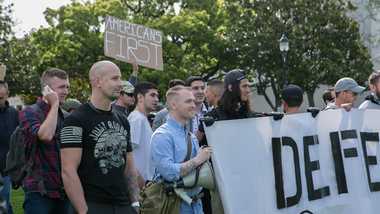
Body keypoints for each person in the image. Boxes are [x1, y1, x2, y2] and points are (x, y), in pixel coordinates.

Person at [60, 60, 140, 214]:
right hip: (93, 203)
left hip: (123, 204)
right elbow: (68, 171)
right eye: (114, 78)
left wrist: (135, 202)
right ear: (97, 81)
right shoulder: (75, 120)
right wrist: (84, 211)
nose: (120, 84)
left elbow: (129, 166)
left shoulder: (123, 120)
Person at [151, 85, 212, 214]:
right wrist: (197, 160)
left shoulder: (191, 136)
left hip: (196, 205)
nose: (194, 105)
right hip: (173, 206)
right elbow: (169, 173)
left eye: (193, 101)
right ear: (173, 105)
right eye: (188, 101)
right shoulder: (162, 135)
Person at [19, 68, 71, 214]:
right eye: (61, 87)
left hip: (63, 190)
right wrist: (54, 105)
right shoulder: (30, 112)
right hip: (39, 191)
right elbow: (45, 135)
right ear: (46, 90)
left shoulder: (66, 117)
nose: (66, 91)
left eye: (67, 87)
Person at [128, 82, 159, 186]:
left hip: (146, 183)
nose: (156, 100)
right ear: (140, 97)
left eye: (157, 96)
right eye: (152, 95)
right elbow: (127, 155)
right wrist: (141, 182)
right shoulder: (136, 119)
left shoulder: (141, 118)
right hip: (138, 186)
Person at [0, 81, 19, 214]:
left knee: (4, 199)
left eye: (1, 96)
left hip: (7, 166)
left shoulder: (14, 113)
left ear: (7, 95)